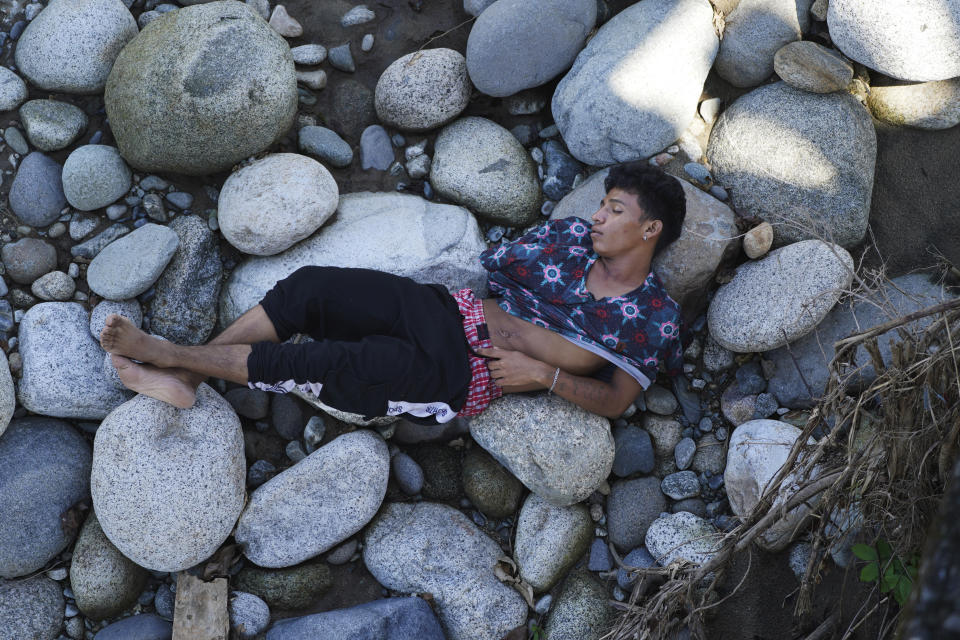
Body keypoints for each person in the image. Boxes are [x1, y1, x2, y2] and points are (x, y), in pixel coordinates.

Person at [100, 161, 687, 422]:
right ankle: (187, 381)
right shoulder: (568, 238)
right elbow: (489, 267)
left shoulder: (651, 317)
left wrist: (545, 377)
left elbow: (615, 401)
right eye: (602, 206)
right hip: (443, 310)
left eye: (613, 210)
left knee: (323, 363)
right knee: (311, 288)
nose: (597, 218)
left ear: (650, 230)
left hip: (460, 371)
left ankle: (169, 356)